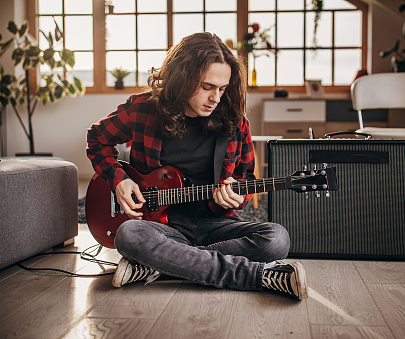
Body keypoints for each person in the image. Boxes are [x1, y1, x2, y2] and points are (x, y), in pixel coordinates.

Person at [86, 32, 308, 300]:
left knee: (277, 238)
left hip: (215, 225)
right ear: (183, 77)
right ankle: (257, 276)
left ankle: (162, 265)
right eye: (207, 87)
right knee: (129, 234)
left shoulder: (236, 123)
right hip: (161, 228)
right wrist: (119, 179)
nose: (216, 98)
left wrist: (236, 195)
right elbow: (97, 138)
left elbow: (246, 178)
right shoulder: (143, 109)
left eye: (222, 88)